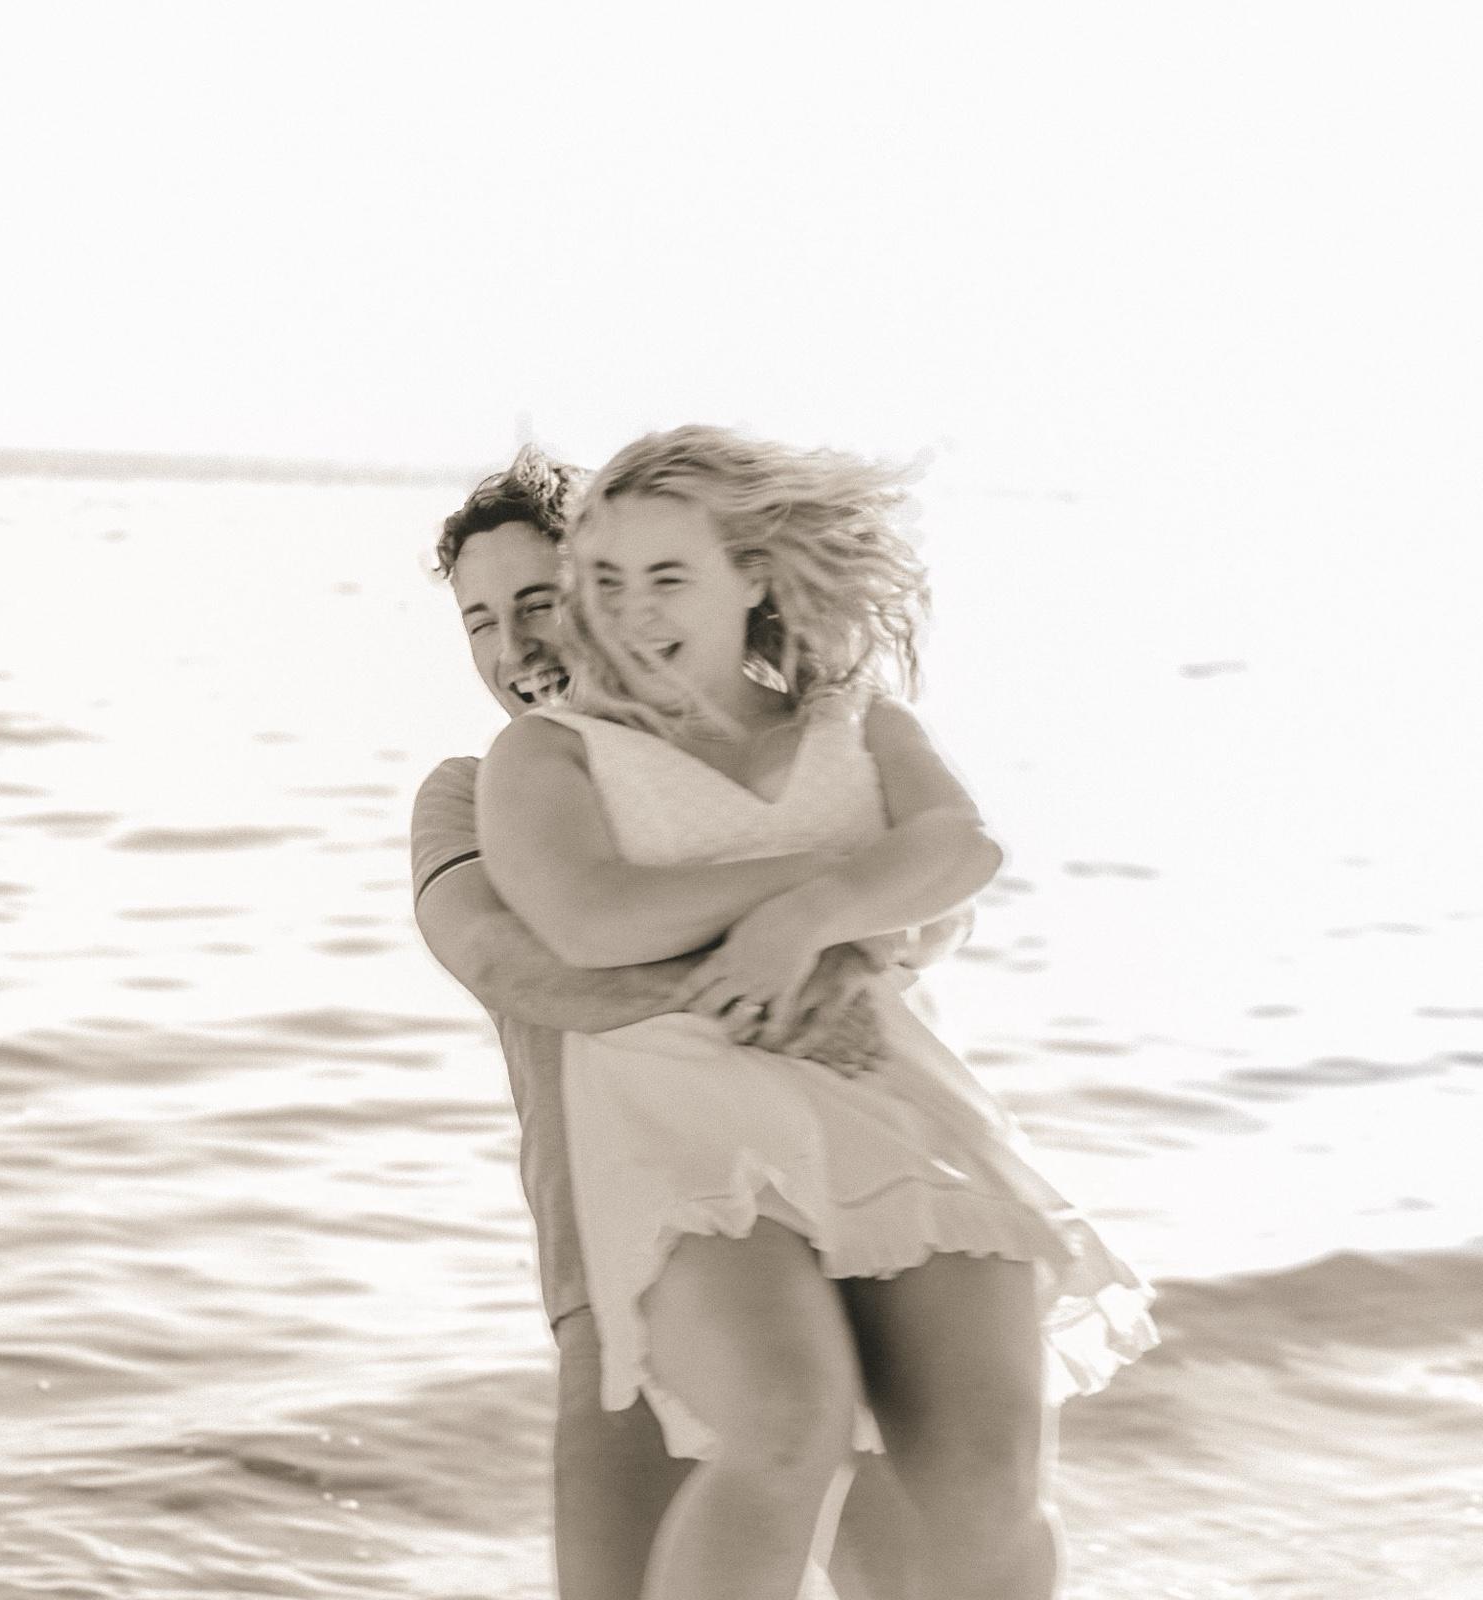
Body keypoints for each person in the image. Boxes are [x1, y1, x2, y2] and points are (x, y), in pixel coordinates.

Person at [477, 425, 1159, 1600]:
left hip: (891, 1100)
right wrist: (832, 889)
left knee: (987, 1473)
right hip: (685, 1117)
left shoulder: (855, 718)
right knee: (785, 1425)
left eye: (668, 576)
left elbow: (959, 850)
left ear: (753, 574)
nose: (630, 612)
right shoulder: (548, 754)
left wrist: (818, 917)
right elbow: (588, 919)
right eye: (603, 580)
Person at [411, 445, 933, 1600]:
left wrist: (837, 919)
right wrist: (774, 966)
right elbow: (511, 963)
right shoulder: (474, 794)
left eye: (542, 601)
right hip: (622, 1253)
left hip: (858, 1217)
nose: (513, 647)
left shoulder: (802, 751)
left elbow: (925, 911)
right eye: (480, 620)